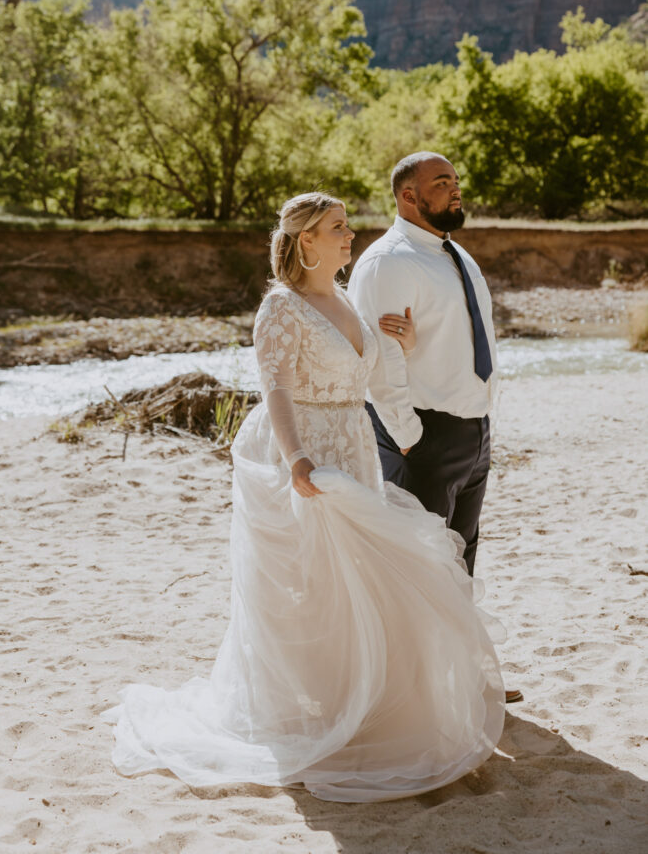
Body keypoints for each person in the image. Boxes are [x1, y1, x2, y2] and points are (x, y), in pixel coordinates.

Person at [103, 192, 505, 802]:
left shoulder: (342, 300)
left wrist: (402, 344)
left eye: (346, 227)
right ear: (306, 240)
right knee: (308, 578)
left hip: (353, 443)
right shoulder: (281, 308)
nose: (350, 236)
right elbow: (277, 390)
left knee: (356, 576)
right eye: (338, 228)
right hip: (308, 449)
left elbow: (367, 378)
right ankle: (314, 712)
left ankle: (356, 700)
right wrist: (297, 460)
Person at [348, 151, 522, 703]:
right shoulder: (386, 262)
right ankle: (414, 695)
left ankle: (462, 678)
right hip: (422, 432)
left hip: (473, 432)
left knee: (461, 555)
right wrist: (407, 435)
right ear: (408, 196)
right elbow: (378, 359)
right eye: (441, 182)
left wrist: (482, 419)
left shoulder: (454, 254)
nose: (455, 190)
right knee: (418, 563)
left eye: (455, 180)